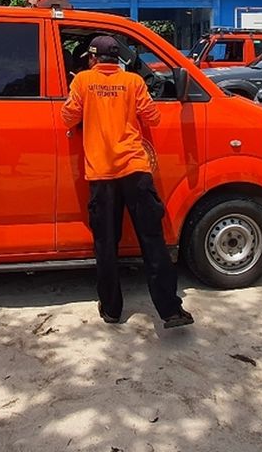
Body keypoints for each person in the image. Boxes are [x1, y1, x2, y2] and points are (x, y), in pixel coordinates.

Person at [61, 35, 194, 330]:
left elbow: (67, 118)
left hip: (101, 175)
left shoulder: (82, 81)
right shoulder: (134, 82)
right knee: (152, 241)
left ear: (93, 59)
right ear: (118, 59)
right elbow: (153, 117)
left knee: (106, 244)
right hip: (135, 170)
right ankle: (170, 311)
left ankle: (111, 309)